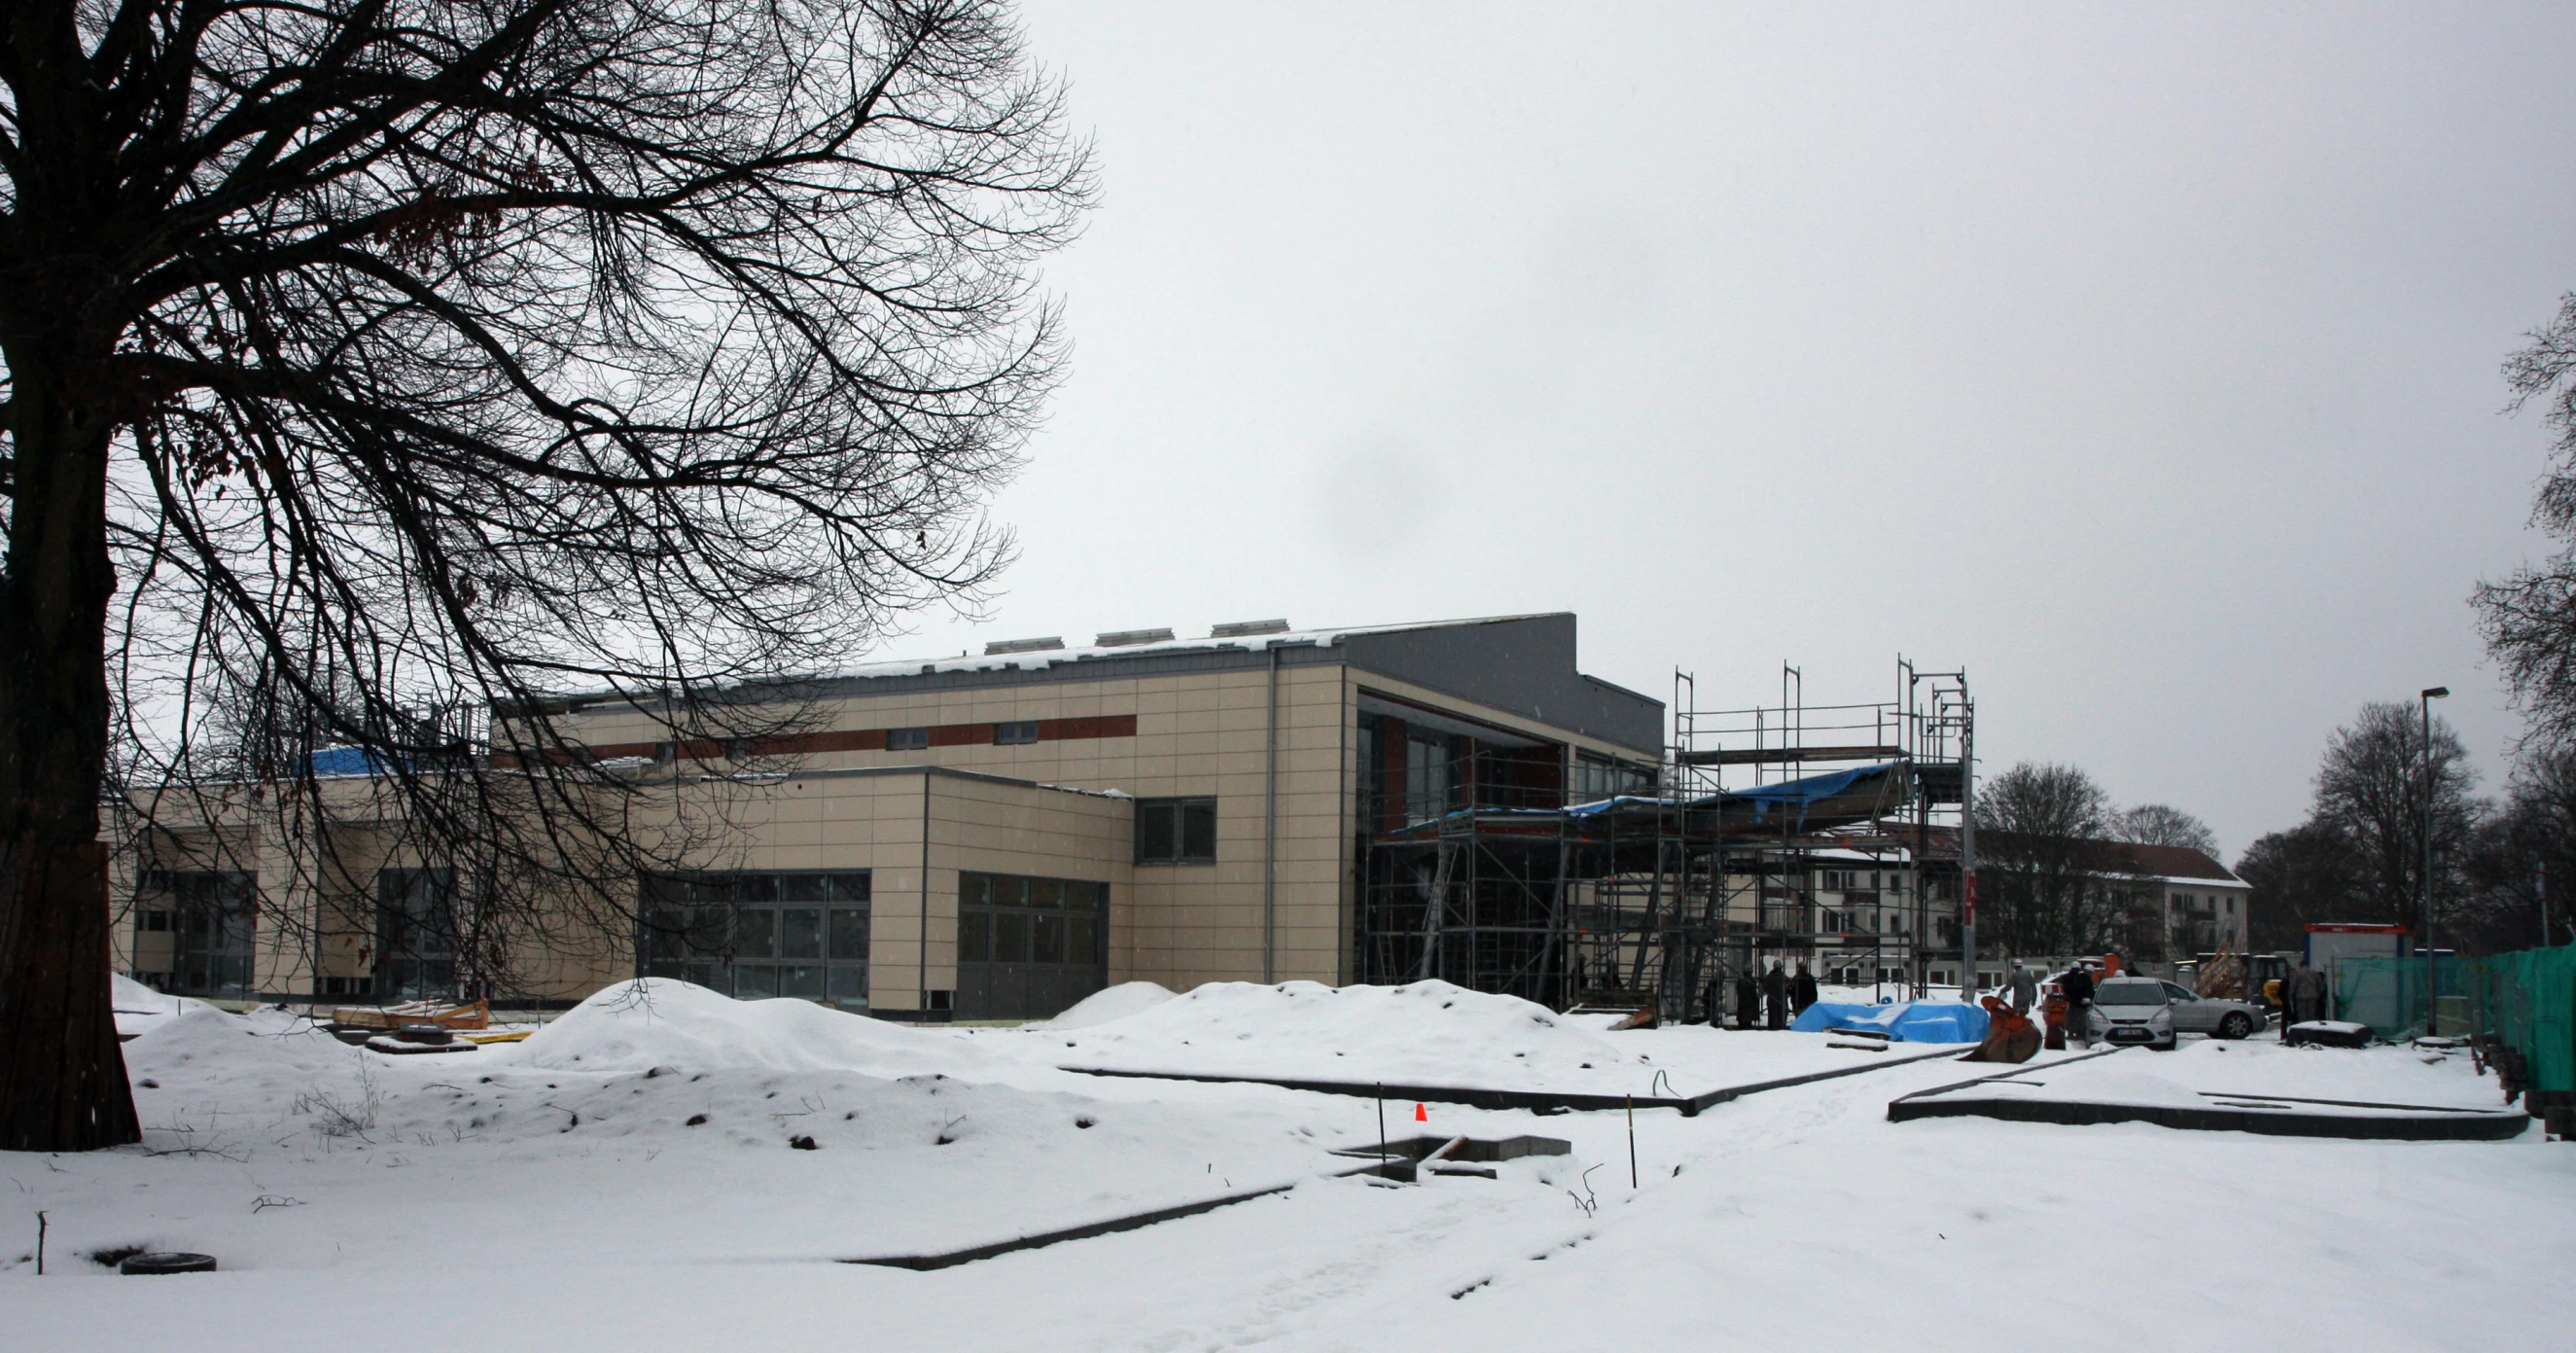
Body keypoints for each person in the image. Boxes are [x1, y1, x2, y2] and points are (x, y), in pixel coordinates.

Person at [2061, 963, 2096, 1046]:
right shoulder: (2086, 980)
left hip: (2073, 1003)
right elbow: (2088, 992)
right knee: (2081, 1020)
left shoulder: (2077, 978)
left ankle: (2072, 1033)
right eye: (2091, 973)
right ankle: (2079, 1034)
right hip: (2081, 1004)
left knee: (2072, 1019)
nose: (2091, 974)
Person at [1762, 960, 1789, 1030]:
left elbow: (1764, 987)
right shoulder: (1780, 976)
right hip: (1777, 1001)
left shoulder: (1772, 976)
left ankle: (1775, 1029)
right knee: (1777, 1019)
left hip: (1775, 1001)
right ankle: (1777, 1029)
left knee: (1774, 1019)